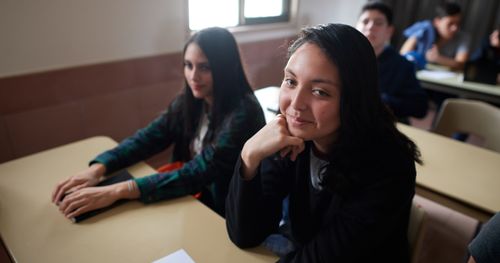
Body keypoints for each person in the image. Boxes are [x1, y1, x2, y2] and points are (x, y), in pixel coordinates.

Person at [225, 23, 422, 262]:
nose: (296, 104)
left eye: (320, 92)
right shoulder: (295, 137)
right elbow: (246, 233)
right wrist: (249, 156)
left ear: (354, 99)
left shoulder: (388, 168)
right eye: (291, 81)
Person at [51, 27, 266, 218]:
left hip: (225, 212)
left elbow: (198, 172)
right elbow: (149, 137)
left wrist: (116, 191)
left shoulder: (244, 113)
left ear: (225, 68)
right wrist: (98, 169)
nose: (193, 76)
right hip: (194, 201)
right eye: (188, 65)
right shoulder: (191, 100)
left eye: (204, 67)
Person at [356, 1, 428, 124]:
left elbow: (420, 108)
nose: (370, 27)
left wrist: (384, 100)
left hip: (382, 126)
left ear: (389, 31)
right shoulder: (342, 58)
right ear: (356, 26)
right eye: (365, 22)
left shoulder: (402, 65)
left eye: (378, 23)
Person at [400, 1, 470, 71]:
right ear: (437, 22)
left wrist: (438, 59)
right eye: (450, 23)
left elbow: (462, 64)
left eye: (458, 23)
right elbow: (403, 55)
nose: (455, 28)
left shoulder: (463, 37)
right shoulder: (424, 29)